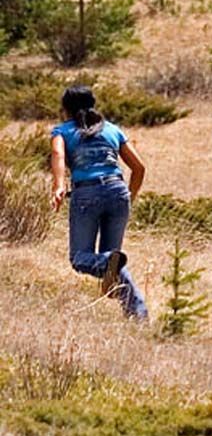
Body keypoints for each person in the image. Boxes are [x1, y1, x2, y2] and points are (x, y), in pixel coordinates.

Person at [50, 85, 148, 320]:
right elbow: (139, 168)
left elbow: (58, 156)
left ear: (66, 109)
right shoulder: (113, 130)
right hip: (118, 190)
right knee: (112, 264)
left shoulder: (62, 131)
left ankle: (109, 265)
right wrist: (129, 196)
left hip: (86, 194)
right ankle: (138, 315)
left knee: (81, 258)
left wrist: (59, 186)